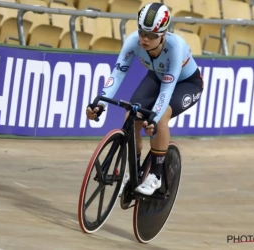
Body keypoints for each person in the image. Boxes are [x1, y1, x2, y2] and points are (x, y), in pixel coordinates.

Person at [86, 2, 203, 196]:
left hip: (186, 83)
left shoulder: (175, 48)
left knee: (162, 115)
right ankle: (134, 170)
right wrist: (100, 103)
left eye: (152, 36)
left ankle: (155, 175)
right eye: (142, 32)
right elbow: (117, 74)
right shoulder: (133, 42)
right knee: (131, 116)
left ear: (163, 35)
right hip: (157, 77)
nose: (145, 39)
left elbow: (167, 89)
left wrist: (154, 119)